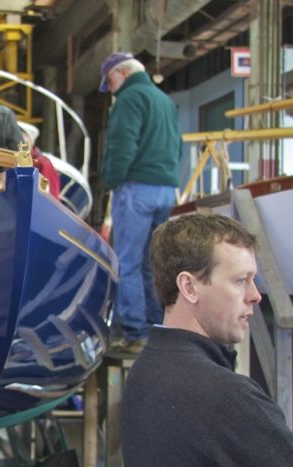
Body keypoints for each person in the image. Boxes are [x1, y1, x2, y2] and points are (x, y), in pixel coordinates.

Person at [121, 213, 293, 467]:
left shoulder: (144, 371)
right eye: (240, 281)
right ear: (190, 287)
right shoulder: (226, 398)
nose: (255, 296)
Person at [98, 52, 182, 353]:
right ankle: (157, 329)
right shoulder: (164, 101)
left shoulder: (129, 100)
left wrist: (111, 179)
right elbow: (177, 146)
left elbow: (122, 145)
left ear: (122, 72)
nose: (111, 89)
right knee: (153, 263)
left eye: (110, 81)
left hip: (135, 189)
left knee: (127, 263)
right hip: (165, 189)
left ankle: (133, 334)